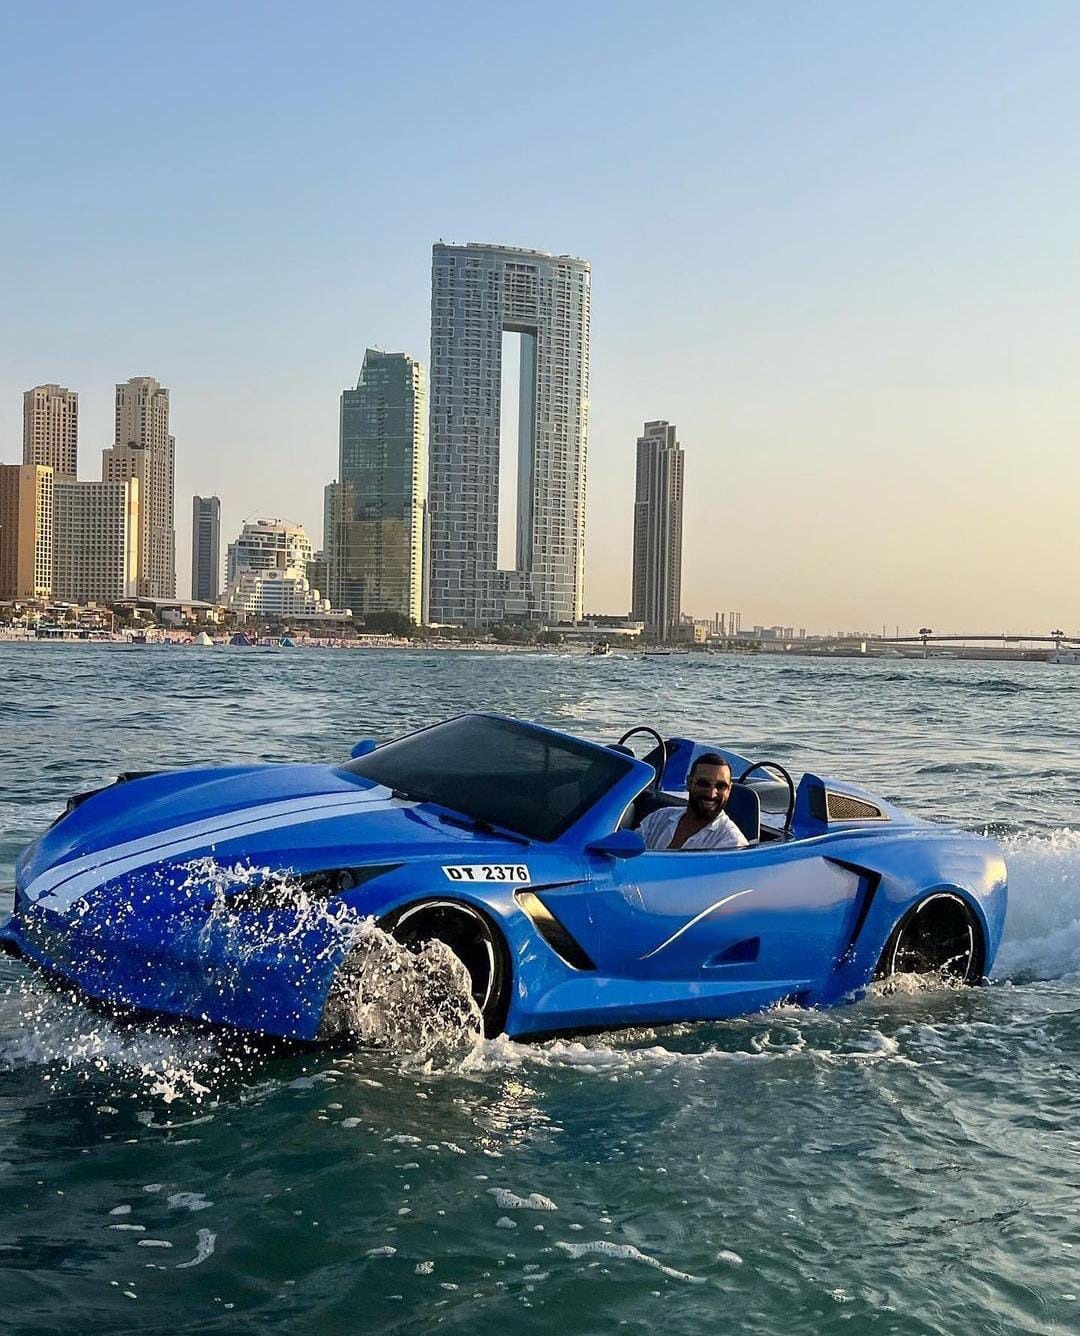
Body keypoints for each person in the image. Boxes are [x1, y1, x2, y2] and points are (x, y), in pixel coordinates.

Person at [638, 754, 748, 851]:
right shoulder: (658, 819)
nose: (711, 794)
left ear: (729, 789)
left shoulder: (732, 845)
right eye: (704, 783)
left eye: (721, 786)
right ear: (689, 783)